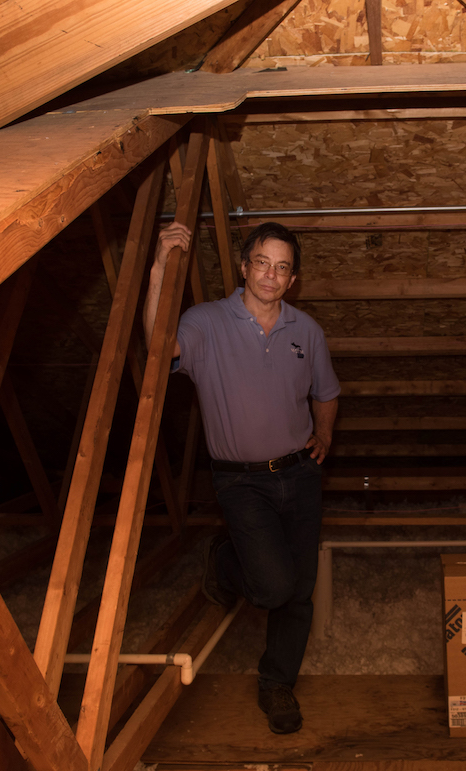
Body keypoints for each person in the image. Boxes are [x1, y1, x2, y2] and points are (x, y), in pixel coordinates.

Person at [144, 220, 340, 735]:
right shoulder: (206, 323)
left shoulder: (307, 331)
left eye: (282, 268)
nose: (271, 276)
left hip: (299, 474)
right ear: (244, 265)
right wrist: (161, 268)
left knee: (299, 589)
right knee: (273, 585)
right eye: (262, 263)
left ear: (293, 278)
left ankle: (277, 684)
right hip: (240, 481)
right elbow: (159, 347)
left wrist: (324, 435)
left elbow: (326, 391)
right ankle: (224, 562)